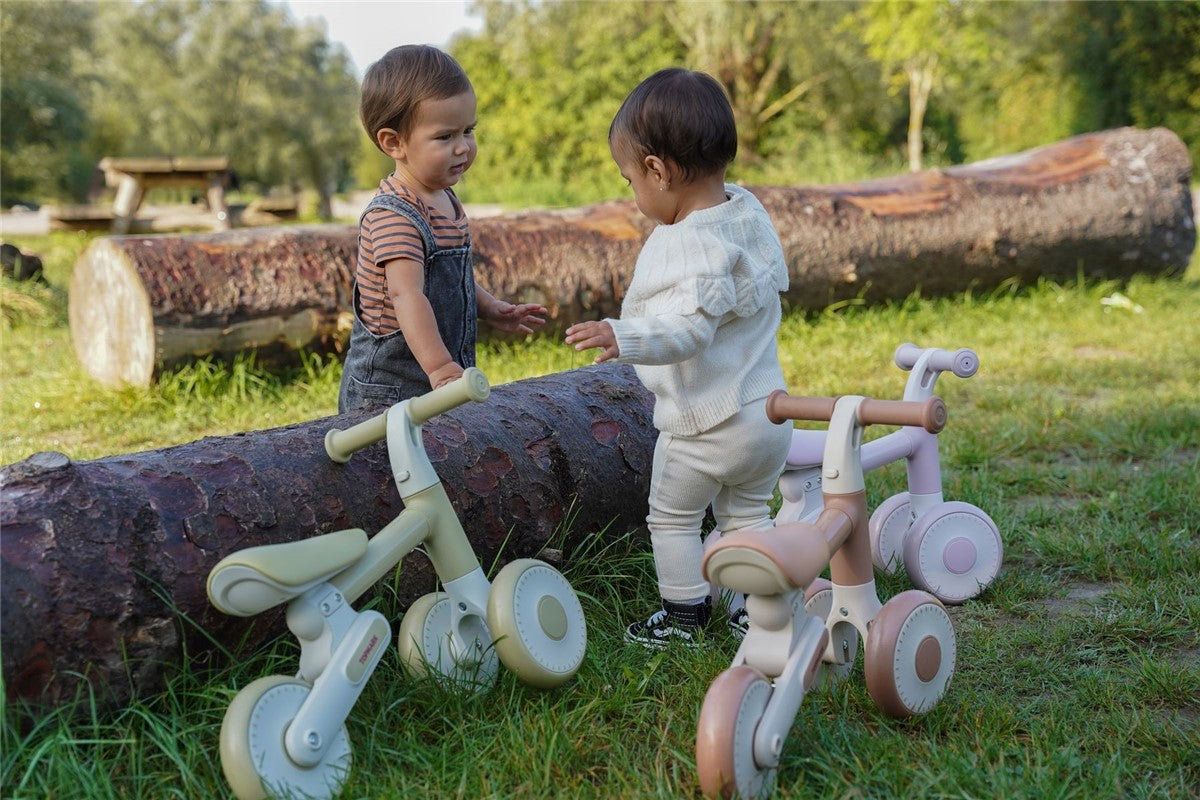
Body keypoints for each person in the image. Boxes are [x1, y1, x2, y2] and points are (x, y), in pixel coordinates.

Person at [565, 68, 793, 648]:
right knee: (746, 516)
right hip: (767, 417)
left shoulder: (684, 241)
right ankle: (757, 608)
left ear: (657, 171)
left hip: (706, 425)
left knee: (672, 518)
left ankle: (685, 617)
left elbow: (688, 330)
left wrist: (625, 337)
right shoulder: (746, 212)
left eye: (629, 181)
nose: (633, 196)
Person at [339, 45, 547, 412]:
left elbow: (449, 277)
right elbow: (408, 297)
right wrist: (440, 368)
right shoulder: (395, 216)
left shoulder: (444, 199)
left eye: (469, 131)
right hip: (389, 392)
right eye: (445, 137)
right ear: (393, 143)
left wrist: (491, 307)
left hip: (437, 381)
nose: (464, 147)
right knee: (384, 466)